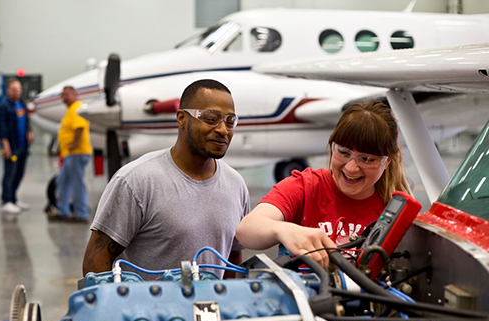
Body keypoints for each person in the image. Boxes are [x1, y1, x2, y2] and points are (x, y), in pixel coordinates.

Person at [82, 79, 250, 279]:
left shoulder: (236, 185)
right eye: (211, 118)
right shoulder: (137, 181)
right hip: (149, 309)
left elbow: (232, 259)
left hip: (209, 310)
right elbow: (96, 262)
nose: (223, 130)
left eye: (230, 121)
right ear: (181, 118)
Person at [236, 100, 411, 268]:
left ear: (387, 162)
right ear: (331, 147)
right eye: (343, 152)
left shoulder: (394, 208)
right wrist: (283, 230)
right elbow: (246, 230)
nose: (351, 168)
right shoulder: (305, 186)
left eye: (366, 159)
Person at [48, 86, 92, 222]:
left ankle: (81, 214)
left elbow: (79, 127)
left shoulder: (77, 107)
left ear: (75, 94)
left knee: (76, 183)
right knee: (62, 181)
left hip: (76, 153)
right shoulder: (71, 109)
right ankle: (63, 211)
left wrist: (74, 144)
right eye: (62, 95)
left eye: (66, 94)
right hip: (70, 153)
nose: (64, 98)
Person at [0, 78, 34, 214]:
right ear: (8, 91)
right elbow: (1, 127)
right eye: (14, 89)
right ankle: (6, 201)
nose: (17, 92)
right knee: (9, 174)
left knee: (19, 173)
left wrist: (29, 132)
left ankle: (13, 199)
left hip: (23, 146)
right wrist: (5, 144)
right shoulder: (3, 107)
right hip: (11, 147)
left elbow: (27, 121)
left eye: (19, 89)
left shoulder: (22, 104)